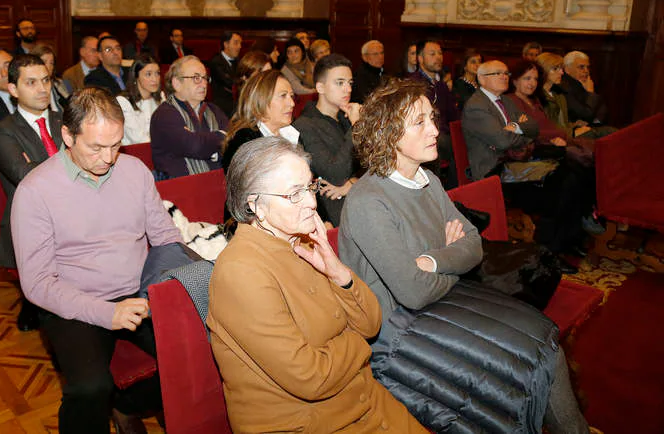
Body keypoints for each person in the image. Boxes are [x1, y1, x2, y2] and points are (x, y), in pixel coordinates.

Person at [340, 81, 590, 434]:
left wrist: (435, 261)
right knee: (524, 356)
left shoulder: (427, 180)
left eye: (432, 118)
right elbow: (412, 292)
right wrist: (450, 259)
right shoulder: (368, 200)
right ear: (389, 134)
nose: (434, 129)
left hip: (436, 302)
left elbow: (473, 245)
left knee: (542, 335)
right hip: (395, 331)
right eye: (420, 122)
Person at [207, 136, 426, 434]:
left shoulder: (303, 241)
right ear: (255, 205)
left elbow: (372, 323)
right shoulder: (241, 271)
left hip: (363, 401)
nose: (312, 202)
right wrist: (355, 342)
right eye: (294, 194)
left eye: (309, 187)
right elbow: (310, 377)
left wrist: (340, 276)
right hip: (309, 423)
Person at [11, 87, 192, 434]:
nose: (108, 158)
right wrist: (107, 313)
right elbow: (37, 283)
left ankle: (128, 405)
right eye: (96, 147)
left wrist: (151, 292)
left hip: (139, 291)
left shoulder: (134, 170)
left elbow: (167, 238)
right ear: (67, 135)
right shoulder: (35, 191)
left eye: (116, 145)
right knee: (90, 387)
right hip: (74, 299)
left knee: (200, 353)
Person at [462, 60, 596, 255]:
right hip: (496, 170)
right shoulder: (477, 106)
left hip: (518, 162)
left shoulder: (505, 100)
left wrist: (515, 127)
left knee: (574, 175)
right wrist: (521, 134)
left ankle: (565, 241)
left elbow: (533, 127)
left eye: (506, 73)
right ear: (482, 79)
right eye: (497, 73)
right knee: (562, 179)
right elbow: (503, 141)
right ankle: (549, 249)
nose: (504, 77)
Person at [0, 54, 62, 332]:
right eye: (31, 83)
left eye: (45, 80)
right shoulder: (1, 131)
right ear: (14, 89)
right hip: (32, 220)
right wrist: (74, 162)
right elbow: (26, 175)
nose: (42, 89)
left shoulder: (65, 119)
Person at [293, 54, 360, 227]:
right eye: (340, 83)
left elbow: (374, 163)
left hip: (357, 196)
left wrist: (352, 183)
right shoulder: (305, 125)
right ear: (320, 87)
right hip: (334, 208)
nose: (347, 89)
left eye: (350, 83)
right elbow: (335, 174)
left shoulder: (346, 118)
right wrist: (357, 126)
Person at [150, 55, 229, 178]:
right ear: (177, 83)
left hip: (219, 185)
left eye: (205, 78)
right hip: (182, 190)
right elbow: (194, 146)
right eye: (196, 78)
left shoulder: (214, 110)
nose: (203, 84)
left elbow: (232, 143)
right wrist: (220, 136)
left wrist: (204, 144)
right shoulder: (164, 115)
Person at [222, 69, 298, 173]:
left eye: (291, 96)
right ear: (261, 99)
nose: (292, 103)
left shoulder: (292, 134)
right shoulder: (244, 141)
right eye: (283, 96)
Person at [410, 40, 459, 187]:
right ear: (420, 58)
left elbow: (454, 115)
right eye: (432, 54)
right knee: (448, 144)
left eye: (440, 53)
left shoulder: (441, 85)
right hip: (425, 135)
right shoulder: (413, 83)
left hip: (442, 135)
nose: (438, 57)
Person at [560, 51, 614, 136]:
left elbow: (603, 112)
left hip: (589, 127)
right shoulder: (563, 87)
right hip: (572, 132)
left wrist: (593, 123)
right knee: (612, 133)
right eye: (581, 67)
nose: (586, 71)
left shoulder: (583, 83)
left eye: (588, 67)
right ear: (567, 69)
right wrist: (590, 93)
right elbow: (586, 114)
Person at [116, 54, 164, 144]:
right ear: (136, 76)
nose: (155, 79)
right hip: (134, 151)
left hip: (158, 149)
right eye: (148, 74)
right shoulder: (123, 101)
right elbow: (138, 138)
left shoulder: (161, 97)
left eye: (157, 73)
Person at [207, 31, 242, 116]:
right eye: (236, 43)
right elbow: (228, 82)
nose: (240, 47)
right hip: (222, 105)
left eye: (240, 43)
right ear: (226, 44)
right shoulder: (216, 61)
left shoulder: (239, 61)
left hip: (236, 102)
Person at [31, 45, 70, 112]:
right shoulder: (30, 88)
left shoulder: (58, 84)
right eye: (44, 62)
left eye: (51, 63)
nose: (48, 66)